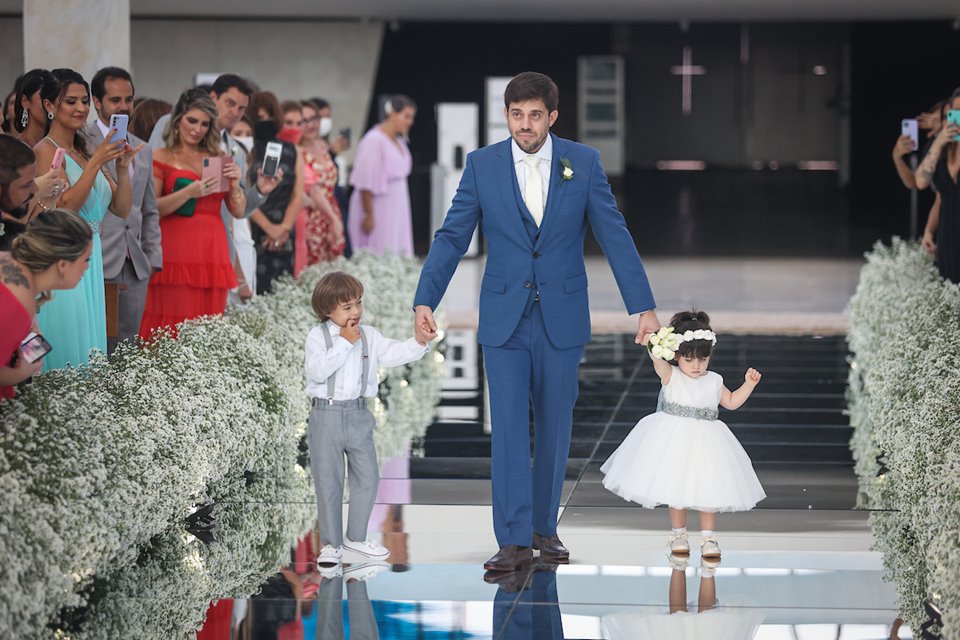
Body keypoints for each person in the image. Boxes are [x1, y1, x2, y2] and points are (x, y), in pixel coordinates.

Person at [413, 72, 660, 572]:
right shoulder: (482, 165)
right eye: (516, 114)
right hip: (504, 317)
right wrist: (426, 299)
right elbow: (452, 235)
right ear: (506, 115)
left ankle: (544, 529)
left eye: (534, 115)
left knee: (555, 425)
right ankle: (510, 540)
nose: (525, 124)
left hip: (562, 316)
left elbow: (615, 234)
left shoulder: (582, 163)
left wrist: (644, 306)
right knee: (506, 428)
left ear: (553, 116)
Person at [601, 311, 766, 559]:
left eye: (703, 359)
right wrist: (656, 342)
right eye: (689, 360)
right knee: (675, 488)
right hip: (674, 439)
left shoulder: (714, 380)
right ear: (677, 356)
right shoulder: (670, 374)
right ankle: (678, 534)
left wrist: (748, 385)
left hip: (708, 442)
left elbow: (731, 402)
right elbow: (656, 358)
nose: (697, 366)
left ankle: (709, 538)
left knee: (709, 489)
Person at [305, 271, 435, 567]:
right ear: (328, 310)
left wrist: (418, 342)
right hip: (325, 414)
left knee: (367, 476)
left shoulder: (370, 336)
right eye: (347, 307)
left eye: (358, 303)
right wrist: (344, 344)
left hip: (358, 414)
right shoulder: (318, 337)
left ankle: (356, 538)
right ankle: (331, 545)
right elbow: (316, 371)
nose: (356, 312)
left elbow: (395, 353)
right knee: (329, 480)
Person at [33, 68, 138, 371]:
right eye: (70, 102)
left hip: (90, 262)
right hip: (61, 261)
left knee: (89, 349)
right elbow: (65, 210)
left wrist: (121, 168)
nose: (81, 109)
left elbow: (120, 208)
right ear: (50, 106)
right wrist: (94, 163)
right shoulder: (44, 151)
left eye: (84, 102)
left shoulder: (85, 149)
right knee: (68, 347)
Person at [139, 89, 246, 338]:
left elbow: (237, 211)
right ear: (177, 121)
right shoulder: (160, 156)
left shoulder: (219, 158)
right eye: (192, 121)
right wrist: (188, 193)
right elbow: (152, 208)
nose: (197, 129)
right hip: (174, 246)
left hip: (212, 249)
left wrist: (236, 186)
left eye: (204, 124)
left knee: (207, 323)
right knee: (169, 319)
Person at [87, 66, 162, 352]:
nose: (124, 106)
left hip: (136, 262)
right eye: (115, 100)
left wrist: (153, 254)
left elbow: (149, 208)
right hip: (99, 258)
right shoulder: (83, 142)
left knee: (129, 344)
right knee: (99, 343)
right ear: (97, 102)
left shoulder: (142, 148)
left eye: (128, 100)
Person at [0, 209, 94, 399]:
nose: (87, 267)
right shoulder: (19, 303)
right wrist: (21, 372)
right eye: (86, 259)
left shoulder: (7, 261)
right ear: (62, 265)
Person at [247, 92, 303, 293]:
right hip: (253, 226)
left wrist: (283, 229)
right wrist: (269, 228)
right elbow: (241, 193)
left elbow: (298, 195)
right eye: (260, 118)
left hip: (284, 232)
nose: (266, 122)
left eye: (270, 117)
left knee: (283, 290)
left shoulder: (293, 150)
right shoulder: (247, 149)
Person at [347, 94, 415, 257]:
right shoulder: (374, 140)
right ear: (392, 113)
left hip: (396, 209)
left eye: (411, 117)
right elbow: (365, 180)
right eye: (406, 116)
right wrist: (368, 214)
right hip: (378, 208)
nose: (410, 122)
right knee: (379, 251)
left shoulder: (399, 141)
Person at [295, 99, 345, 276]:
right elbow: (310, 190)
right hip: (311, 218)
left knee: (333, 274)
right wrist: (333, 219)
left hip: (332, 212)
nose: (311, 125)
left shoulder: (324, 146)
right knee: (313, 273)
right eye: (304, 120)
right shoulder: (297, 151)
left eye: (314, 119)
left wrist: (334, 220)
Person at [14, 69, 52, 148]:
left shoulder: (60, 146)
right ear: (25, 102)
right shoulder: (14, 148)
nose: (49, 104)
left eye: (53, 98)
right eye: (44, 97)